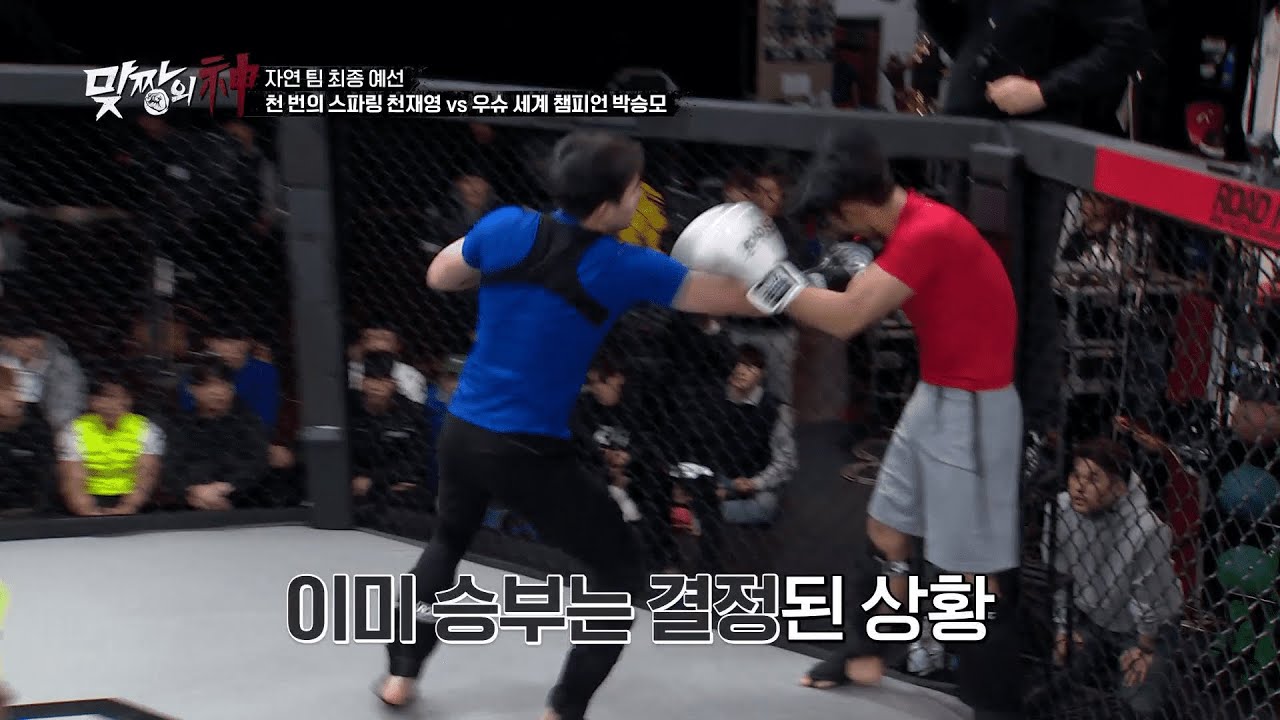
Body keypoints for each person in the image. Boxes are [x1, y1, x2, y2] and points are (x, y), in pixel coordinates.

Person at [375, 129, 761, 719]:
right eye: (635, 188)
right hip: (527, 452)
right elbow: (739, 299)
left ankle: (399, 675)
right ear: (609, 204)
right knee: (620, 569)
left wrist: (503, 278)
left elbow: (440, 275)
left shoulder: (507, 226)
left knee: (447, 541)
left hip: (463, 431)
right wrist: (792, 274)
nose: (642, 195)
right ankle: (564, 708)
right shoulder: (622, 265)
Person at [675, 127, 1023, 719]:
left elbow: (846, 317)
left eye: (834, 218)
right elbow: (843, 293)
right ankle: (869, 651)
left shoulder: (928, 233)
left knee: (972, 576)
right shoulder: (907, 226)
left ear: (855, 204)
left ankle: (995, 706)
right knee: (888, 530)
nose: (834, 229)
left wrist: (769, 276)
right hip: (937, 394)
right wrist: (733, 287)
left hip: (976, 409)